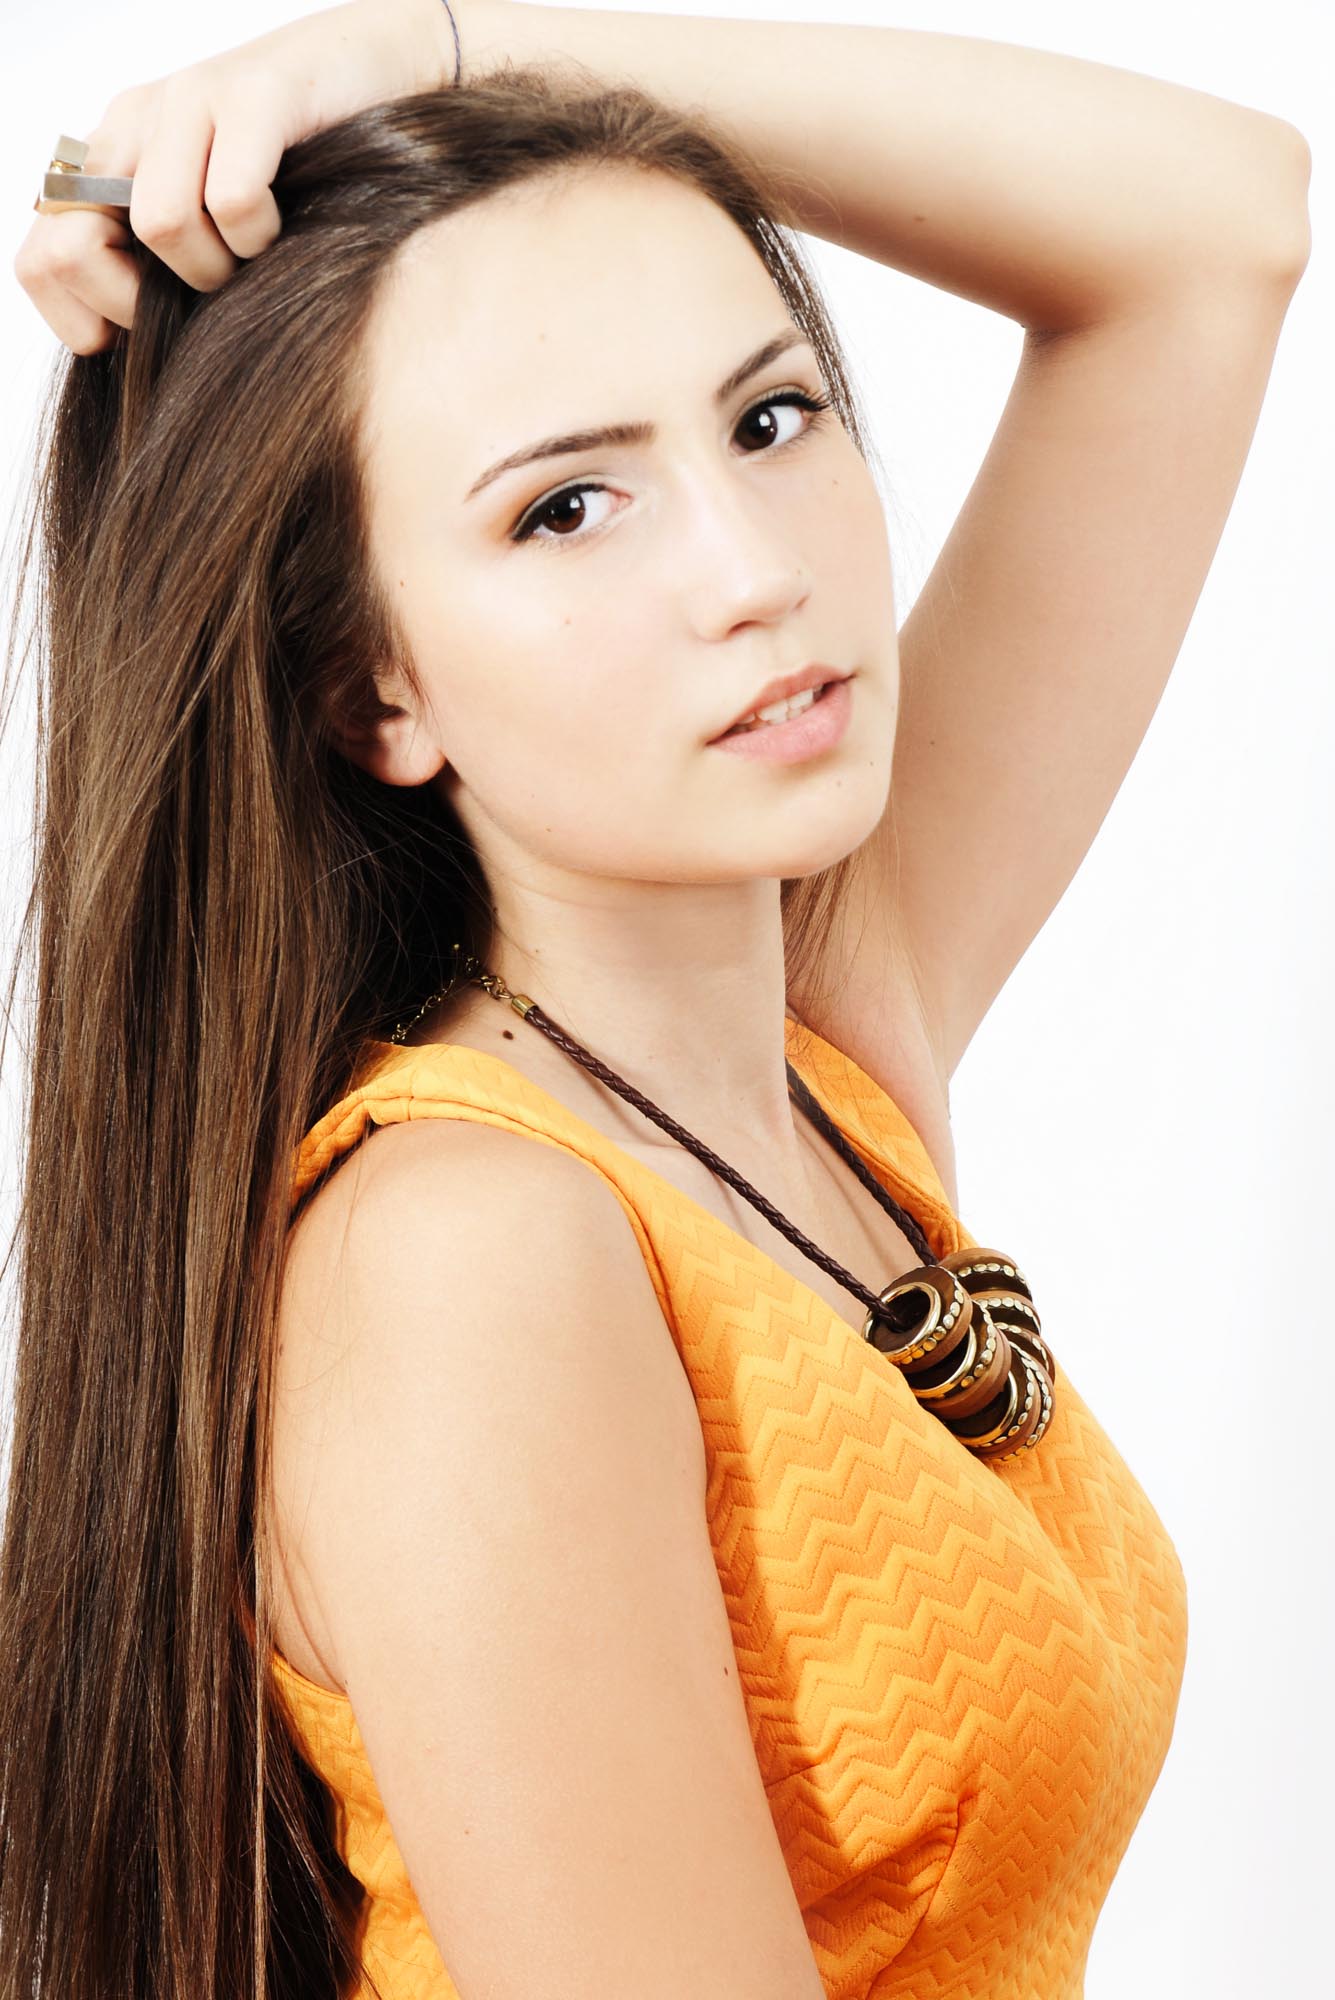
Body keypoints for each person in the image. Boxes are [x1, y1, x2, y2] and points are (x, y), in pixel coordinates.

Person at [0, 2, 1311, 1996]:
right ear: (373, 688)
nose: (753, 570)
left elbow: (1214, 227)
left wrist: (441, 45)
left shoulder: (811, 1062)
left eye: (769, 419)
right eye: (567, 506)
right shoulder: (470, 1255)